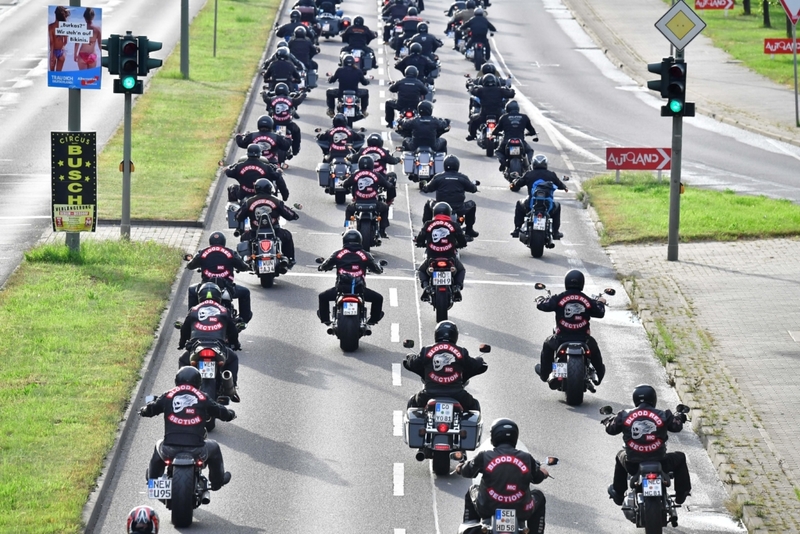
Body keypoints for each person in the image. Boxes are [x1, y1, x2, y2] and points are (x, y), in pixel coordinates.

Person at [139, 366, 236, 494]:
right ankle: (217, 483)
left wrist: (144, 411)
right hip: (197, 450)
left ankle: (153, 482)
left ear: (177, 380)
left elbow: (152, 409)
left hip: (169, 450)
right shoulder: (202, 397)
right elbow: (219, 410)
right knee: (215, 447)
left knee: (158, 446)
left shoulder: (168, 395)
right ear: (198, 382)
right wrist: (229, 414)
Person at [455, 419, 549, 534]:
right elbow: (537, 478)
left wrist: (460, 468)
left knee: (472, 491)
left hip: (488, 507)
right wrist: (543, 474)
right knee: (539, 496)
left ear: (494, 436)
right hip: (521, 509)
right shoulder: (527, 458)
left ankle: (470, 529)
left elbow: (467, 471)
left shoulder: (484, 456)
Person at [604, 384, 692, 506]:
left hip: (633, 464)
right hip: (661, 462)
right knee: (680, 457)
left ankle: (618, 494)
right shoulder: (663, 414)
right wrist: (679, 417)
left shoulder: (624, 415)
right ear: (653, 399)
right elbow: (676, 427)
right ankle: (681, 494)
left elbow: (611, 430)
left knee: (620, 455)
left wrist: (609, 420)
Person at [534, 269, 606, 388]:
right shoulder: (587, 299)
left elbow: (543, 305)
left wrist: (539, 299)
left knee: (547, 345)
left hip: (561, 338)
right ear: (582, 283)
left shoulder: (559, 298)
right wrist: (600, 303)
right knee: (595, 351)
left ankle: (545, 373)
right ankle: (599, 374)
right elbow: (600, 313)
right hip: (584, 339)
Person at [177, 282, 242, 399]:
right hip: (218, 347)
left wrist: (181, 343)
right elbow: (233, 331)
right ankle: (232, 388)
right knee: (233, 359)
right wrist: (235, 344)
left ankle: (181, 389)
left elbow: (184, 330)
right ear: (219, 296)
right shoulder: (224, 310)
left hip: (197, 347)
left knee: (183, 360)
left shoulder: (194, 310)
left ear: (199, 296)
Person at [404, 320, 487, 410]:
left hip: (429, 394)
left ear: (437, 334)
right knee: (474, 405)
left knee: (412, 403)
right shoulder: (461, 351)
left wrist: (410, 358)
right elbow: (473, 364)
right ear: (455, 335)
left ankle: (409, 424)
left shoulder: (426, 350)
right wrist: (480, 360)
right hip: (457, 394)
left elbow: (414, 363)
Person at [317, 229, 385, 326]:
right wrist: (379, 268)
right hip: (359, 289)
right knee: (378, 298)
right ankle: (373, 320)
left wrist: (321, 267)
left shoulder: (338, 254)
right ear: (360, 240)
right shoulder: (365, 255)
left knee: (322, 297)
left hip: (341, 288)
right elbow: (377, 270)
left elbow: (325, 265)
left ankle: (326, 320)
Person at [186, 231, 253, 325]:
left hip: (206, 287)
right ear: (223, 242)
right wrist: (247, 267)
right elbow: (242, 266)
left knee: (192, 290)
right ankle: (242, 320)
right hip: (227, 287)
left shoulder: (202, 252)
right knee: (245, 292)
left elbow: (190, 265)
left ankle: (191, 319)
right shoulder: (230, 253)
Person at [235, 178, 300, 266]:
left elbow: (238, 216)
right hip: (275, 232)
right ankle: (289, 259)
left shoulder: (249, 202)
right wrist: (294, 215)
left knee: (243, 237)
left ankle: (247, 259)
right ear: (270, 189)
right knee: (287, 235)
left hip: (254, 233)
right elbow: (289, 214)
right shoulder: (276, 201)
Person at [415, 202, 467, 301]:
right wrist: (460, 244)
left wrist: (420, 243)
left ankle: (426, 287)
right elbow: (462, 241)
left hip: (432, 257)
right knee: (461, 270)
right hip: (449, 257)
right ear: (449, 213)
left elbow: (420, 238)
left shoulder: (428, 224)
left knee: (422, 270)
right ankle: (457, 287)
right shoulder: (454, 225)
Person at [510, 155, 568, 239]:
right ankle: (556, 232)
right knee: (557, 206)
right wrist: (564, 187)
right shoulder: (551, 175)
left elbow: (519, 183)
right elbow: (559, 184)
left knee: (519, 203)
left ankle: (517, 229)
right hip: (548, 206)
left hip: (531, 204)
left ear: (534, 164)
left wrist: (514, 183)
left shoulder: (529, 174)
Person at [422, 155, 479, 238]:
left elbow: (427, 189)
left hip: (440, 207)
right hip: (458, 208)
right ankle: (469, 230)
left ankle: (426, 229)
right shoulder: (462, 177)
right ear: (457, 165)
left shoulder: (438, 177)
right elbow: (473, 189)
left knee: (428, 203)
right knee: (472, 204)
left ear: (444, 165)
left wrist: (424, 186)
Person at [341, 156, 395, 239]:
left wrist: (343, 183)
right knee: (385, 208)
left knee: (349, 210)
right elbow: (388, 185)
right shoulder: (376, 175)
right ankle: (382, 231)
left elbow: (345, 184)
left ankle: (348, 230)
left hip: (358, 203)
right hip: (374, 203)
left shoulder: (356, 174)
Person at [466, 74, 515, 141]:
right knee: (507, 123)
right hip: (498, 115)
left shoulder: (481, 90)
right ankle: (509, 137)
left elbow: (472, 91)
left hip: (484, 115)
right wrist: (511, 90)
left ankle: (472, 135)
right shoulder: (500, 90)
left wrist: (472, 87)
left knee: (473, 120)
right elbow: (511, 94)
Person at [493, 100, 538, 172]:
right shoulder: (524, 117)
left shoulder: (504, 117)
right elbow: (532, 131)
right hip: (520, 141)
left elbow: (496, 130)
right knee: (530, 151)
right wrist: (530, 133)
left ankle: (503, 162)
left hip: (506, 141)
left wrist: (495, 133)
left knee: (498, 151)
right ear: (518, 108)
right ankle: (528, 163)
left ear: (507, 108)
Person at [262, 83, 305, 158]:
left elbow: (266, 99)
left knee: (264, 132)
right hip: (288, 124)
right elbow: (298, 100)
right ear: (286, 91)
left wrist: (263, 94)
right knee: (297, 131)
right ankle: (295, 150)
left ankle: (263, 150)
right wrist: (303, 95)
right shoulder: (291, 100)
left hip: (274, 124)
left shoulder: (272, 100)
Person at [49, 6, 70, 71]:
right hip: (61, 51)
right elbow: (66, 41)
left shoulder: (51, 27)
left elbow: (52, 42)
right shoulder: (64, 26)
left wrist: (52, 54)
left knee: (52, 75)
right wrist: (62, 48)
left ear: (55, 14)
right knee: (59, 75)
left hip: (54, 51)